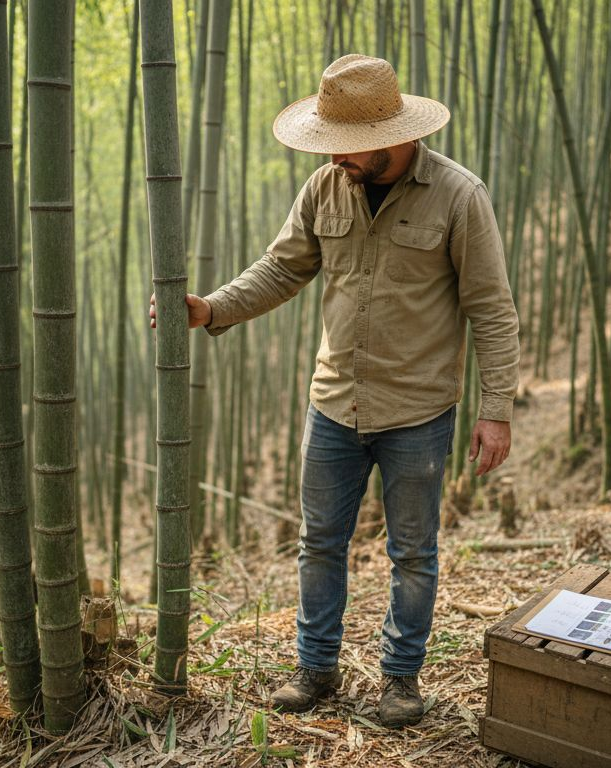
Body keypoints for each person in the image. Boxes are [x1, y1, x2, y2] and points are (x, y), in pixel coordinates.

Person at [152, 54, 519, 728]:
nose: (335, 158)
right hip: (333, 404)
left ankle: (401, 679)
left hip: (418, 411)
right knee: (319, 543)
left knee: (413, 553)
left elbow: (492, 310)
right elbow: (280, 269)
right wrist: (212, 308)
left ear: (390, 137)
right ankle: (315, 669)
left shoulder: (459, 196)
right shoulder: (325, 187)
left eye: (347, 147)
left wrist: (496, 411)